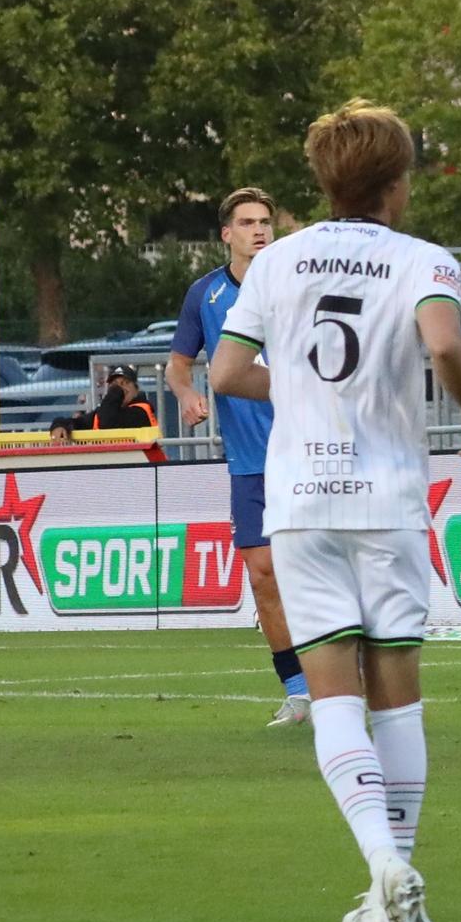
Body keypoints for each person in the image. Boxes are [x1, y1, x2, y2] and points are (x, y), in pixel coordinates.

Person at [210, 102, 461, 922]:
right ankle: (395, 870)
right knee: (397, 692)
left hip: (300, 503)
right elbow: (444, 347)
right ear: (397, 183)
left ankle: (383, 873)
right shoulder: (424, 260)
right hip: (388, 498)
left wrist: (298, 394)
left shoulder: (277, 259)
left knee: (333, 695)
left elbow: (227, 370)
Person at [170, 187, 310, 726]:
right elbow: (179, 364)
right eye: (248, 222)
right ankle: (298, 691)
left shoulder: (296, 286)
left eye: (266, 221)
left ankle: (345, 677)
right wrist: (187, 395)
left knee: (319, 567)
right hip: (250, 460)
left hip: (307, 449)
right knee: (262, 574)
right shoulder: (204, 295)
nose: (259, 230)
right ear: (227, 234)